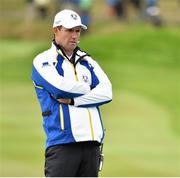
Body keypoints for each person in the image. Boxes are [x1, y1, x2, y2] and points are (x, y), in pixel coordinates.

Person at [31, 9, 112, 177]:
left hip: (92, 146)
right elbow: (60, 88)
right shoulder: (43, 60)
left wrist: (74, 100)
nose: (74, 35)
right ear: (56, 30)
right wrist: (88, 88)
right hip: (63, 144)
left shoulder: (87, 61)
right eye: (69, 30)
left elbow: (107, 92)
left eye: (77, 31)